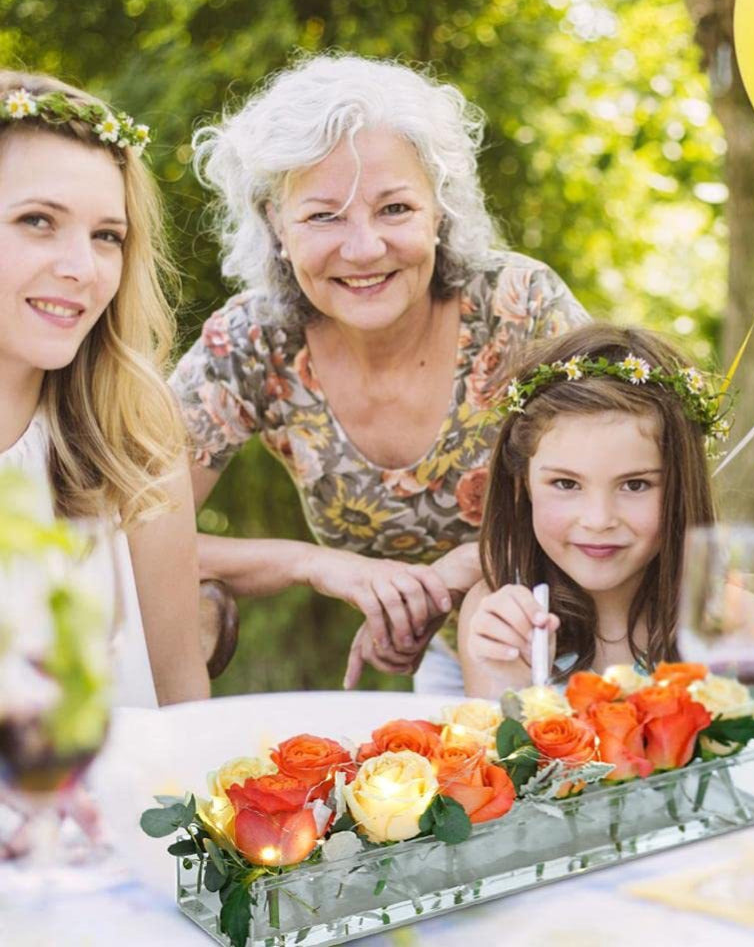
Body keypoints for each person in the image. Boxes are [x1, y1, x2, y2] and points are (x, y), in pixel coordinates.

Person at [169, 54, 588, 689]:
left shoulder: (519, 306)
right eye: (322, 216)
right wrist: (315, 564)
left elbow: (621, 495)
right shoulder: (253, 342)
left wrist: (452, 575)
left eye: (394, 209)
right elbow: (120, 536)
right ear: (274, 226)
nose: (363, 248)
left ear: (439, 211)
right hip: (464, 664)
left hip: (592, 637)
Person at [0, 71, 209, 706]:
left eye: (106, 237)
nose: (82, 269)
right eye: (38, 220)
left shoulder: (135, 442)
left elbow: (181, 697)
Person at [458, 323, 729, 698]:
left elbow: (736, 756)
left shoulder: (729, 622)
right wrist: (513, 689)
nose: (599, 520)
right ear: (523, 483)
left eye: (635, 485)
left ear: (681, 488)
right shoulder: (497, 613)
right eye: (566, 484)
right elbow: (492, 755)